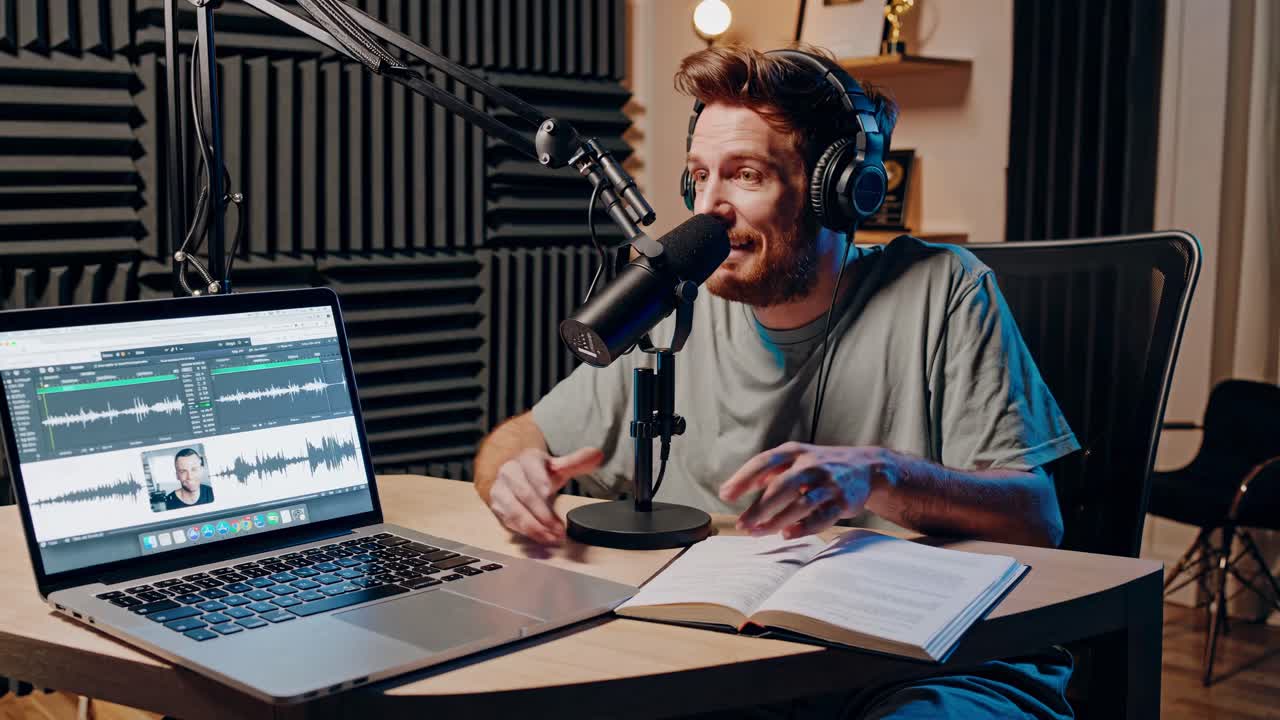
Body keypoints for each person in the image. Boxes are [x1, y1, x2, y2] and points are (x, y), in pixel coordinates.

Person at [473, 44, 1078, 719]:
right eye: (698, 177)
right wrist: (515, 473)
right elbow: (518, 437)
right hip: (744, 670)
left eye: (746, 176)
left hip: (935, 667)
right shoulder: (682, 303)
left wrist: (880, 475)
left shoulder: (946, 289)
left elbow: (1036, 520)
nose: (709, 210)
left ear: (835, 189)